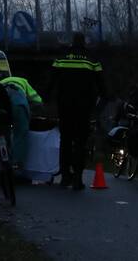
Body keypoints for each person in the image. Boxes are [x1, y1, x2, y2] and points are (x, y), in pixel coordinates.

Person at [47, 33, 105, 190]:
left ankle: (65, 177)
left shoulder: (62, 57)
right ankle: (78, 179)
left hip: (65, 106)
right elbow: (101, 82)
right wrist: (105, 98)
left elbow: (51, 80)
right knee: (81, 141)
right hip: (84, 107)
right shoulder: (91, 58)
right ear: (84, 42)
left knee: (65, 140)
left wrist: (45, 98)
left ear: (72, 42)